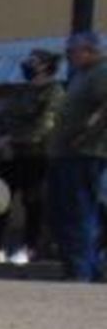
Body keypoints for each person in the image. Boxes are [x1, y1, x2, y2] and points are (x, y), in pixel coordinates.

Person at [0, 48, 64, 264]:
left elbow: (44, 125)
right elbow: (1, 116)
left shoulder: (54, 92)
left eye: (33, 61)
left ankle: (30, 248)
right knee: (2, 201)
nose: (27, 64)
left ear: (45, 66)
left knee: (33, 202)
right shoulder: (20, 91)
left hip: (37, 155)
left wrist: (12, 138)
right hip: (10, 155)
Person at [48, 30, 107, 282]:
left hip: (86, 155)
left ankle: (81, 272)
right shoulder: (82, 75)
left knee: (80, 213)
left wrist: (85, 136)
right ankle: (80, 269)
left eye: (73, 51)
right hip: (69, 155)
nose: (69, 56)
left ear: (90, 51)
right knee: (69, 212)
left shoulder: (102, 72)